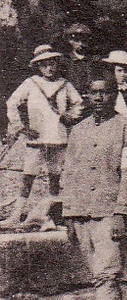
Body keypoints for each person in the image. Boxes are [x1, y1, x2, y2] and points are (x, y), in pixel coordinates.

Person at [61, 73, 127, 300]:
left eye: (105, 92)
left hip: (110, 214)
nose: (99, 98)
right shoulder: (78, 131)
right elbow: (68, 174)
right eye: (94, 93)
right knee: (101, 276)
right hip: (82, 213)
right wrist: (69, 214)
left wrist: (123, 211)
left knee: (106, 276)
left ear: (115, 94)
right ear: (87, 95)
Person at [5, 44, 84, 223]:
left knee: (55, 177)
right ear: (38, 67)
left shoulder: (65, 84)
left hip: (58, 136)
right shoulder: (31, 83)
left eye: (52, 64)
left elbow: (79, 103)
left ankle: (49, 215)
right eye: (44, 64)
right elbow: (12, 103)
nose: (48, 68)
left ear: (57, 64)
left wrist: (69, 116)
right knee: (28, 176)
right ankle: (16, 215)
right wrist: (21, 127)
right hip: (37, 137)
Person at [59, 23, 98, 95]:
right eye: (77, 40)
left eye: (84, 41)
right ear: (70, 41)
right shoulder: (65, 61)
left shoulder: (94, 61)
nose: (80, 44)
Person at [102, 50, 127, 117]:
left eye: (125, 71)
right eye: (119, 71)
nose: (123, 74)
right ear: (111, 71)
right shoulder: (106, 89)